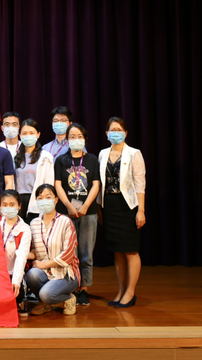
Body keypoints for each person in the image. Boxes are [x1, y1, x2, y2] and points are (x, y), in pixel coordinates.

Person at [98, 117, 146, 309]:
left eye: (119, 130)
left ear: (125, 133)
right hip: (109, 206)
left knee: (130, 251)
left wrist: (141, 210)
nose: (115, 133)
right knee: (117, 252)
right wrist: (99, 208)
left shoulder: (134, 153)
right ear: (106, 133)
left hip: (128, 206)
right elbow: (100, 183)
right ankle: (120, 291)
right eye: (112, 130)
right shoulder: (102, 154)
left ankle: (130, 292)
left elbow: (140, 183)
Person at [54, 123, 101, 307]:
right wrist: (68, 205)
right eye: (72, 137)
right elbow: (58, 184)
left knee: (86, 253)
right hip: (66, 212)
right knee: (69, 252)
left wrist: (86, 206)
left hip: (88, 213)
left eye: (79, 136)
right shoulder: (61, 160)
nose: (76, 140)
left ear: (85, 139)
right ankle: (71, 285)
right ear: (67, 140)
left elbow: (96, 184)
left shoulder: (92, 159)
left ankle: (84, 289)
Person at [25, 184, 80, 316]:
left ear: (56, 200)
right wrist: (24, 254)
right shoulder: (33, 224)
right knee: (31, 275)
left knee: (46, 294)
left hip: (66, 273)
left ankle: (68, 298)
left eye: (48, 197)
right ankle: (45, 304)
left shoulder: (66, 222)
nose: (44, 201)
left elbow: (68, 254)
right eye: (40, 198)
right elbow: (36, 250)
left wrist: (44, 265)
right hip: (46, 272)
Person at [0, 189, 33, 317]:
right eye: (5, 204)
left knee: (15, 302)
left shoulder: (25, 229)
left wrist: (16, 281)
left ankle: (21, 296)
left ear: (19, 206)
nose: (8, 208)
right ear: (0, 207)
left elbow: (22, 257)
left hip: (13, 274)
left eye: (12, 204)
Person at [14, 119, 54, 222]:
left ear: (38, 135)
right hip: (18, 201)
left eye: (32, 133)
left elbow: (49, 182)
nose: (28, 136)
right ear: (19, 135)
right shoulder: (15, 157)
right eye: (24, 133)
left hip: (37, 200)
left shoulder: (45, 157)